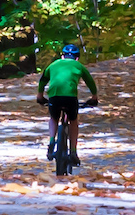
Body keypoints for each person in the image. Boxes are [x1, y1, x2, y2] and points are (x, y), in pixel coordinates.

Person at [37, 43, 98, 172]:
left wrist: (40, 96)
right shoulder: (78, 66)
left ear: (62, 56)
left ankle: (52, 142)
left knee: (54, 118)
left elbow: (43, 80)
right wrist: (94, 97)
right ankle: (74, 152)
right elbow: (90, 82)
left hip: (54, 97)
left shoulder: (53, 64)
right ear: (77, 58)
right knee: (73, 120)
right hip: (70, 98)